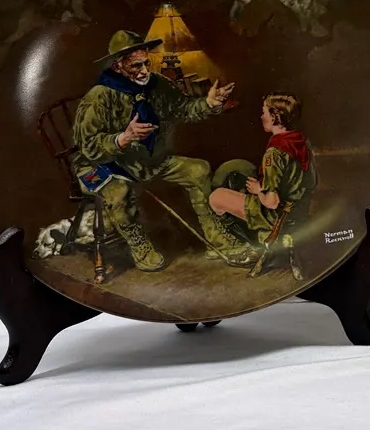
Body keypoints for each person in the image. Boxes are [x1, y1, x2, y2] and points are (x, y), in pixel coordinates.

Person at [71, 30, 254, 271]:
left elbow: (183, 108)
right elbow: (88, 146)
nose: (144, 71)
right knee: (119, 192)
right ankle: (139, 247)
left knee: (198, 170)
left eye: (146, 63)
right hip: (99, 165)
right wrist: (123, 138)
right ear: (117, 66)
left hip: (143, 160)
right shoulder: (98, 97)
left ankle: (217, 238)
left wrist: (209, 103)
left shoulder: (156, 84)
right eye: (136, 66)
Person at [210, 92, 317, 278]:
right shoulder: (301, 141)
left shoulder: (274, 153)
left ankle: (252, 247)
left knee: (216, 198)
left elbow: (271, 202)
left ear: (273, 117)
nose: (261, 116)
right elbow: (312, 182)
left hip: (277, 215)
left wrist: (259, 190)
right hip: (298, 209)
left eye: (264, 112)